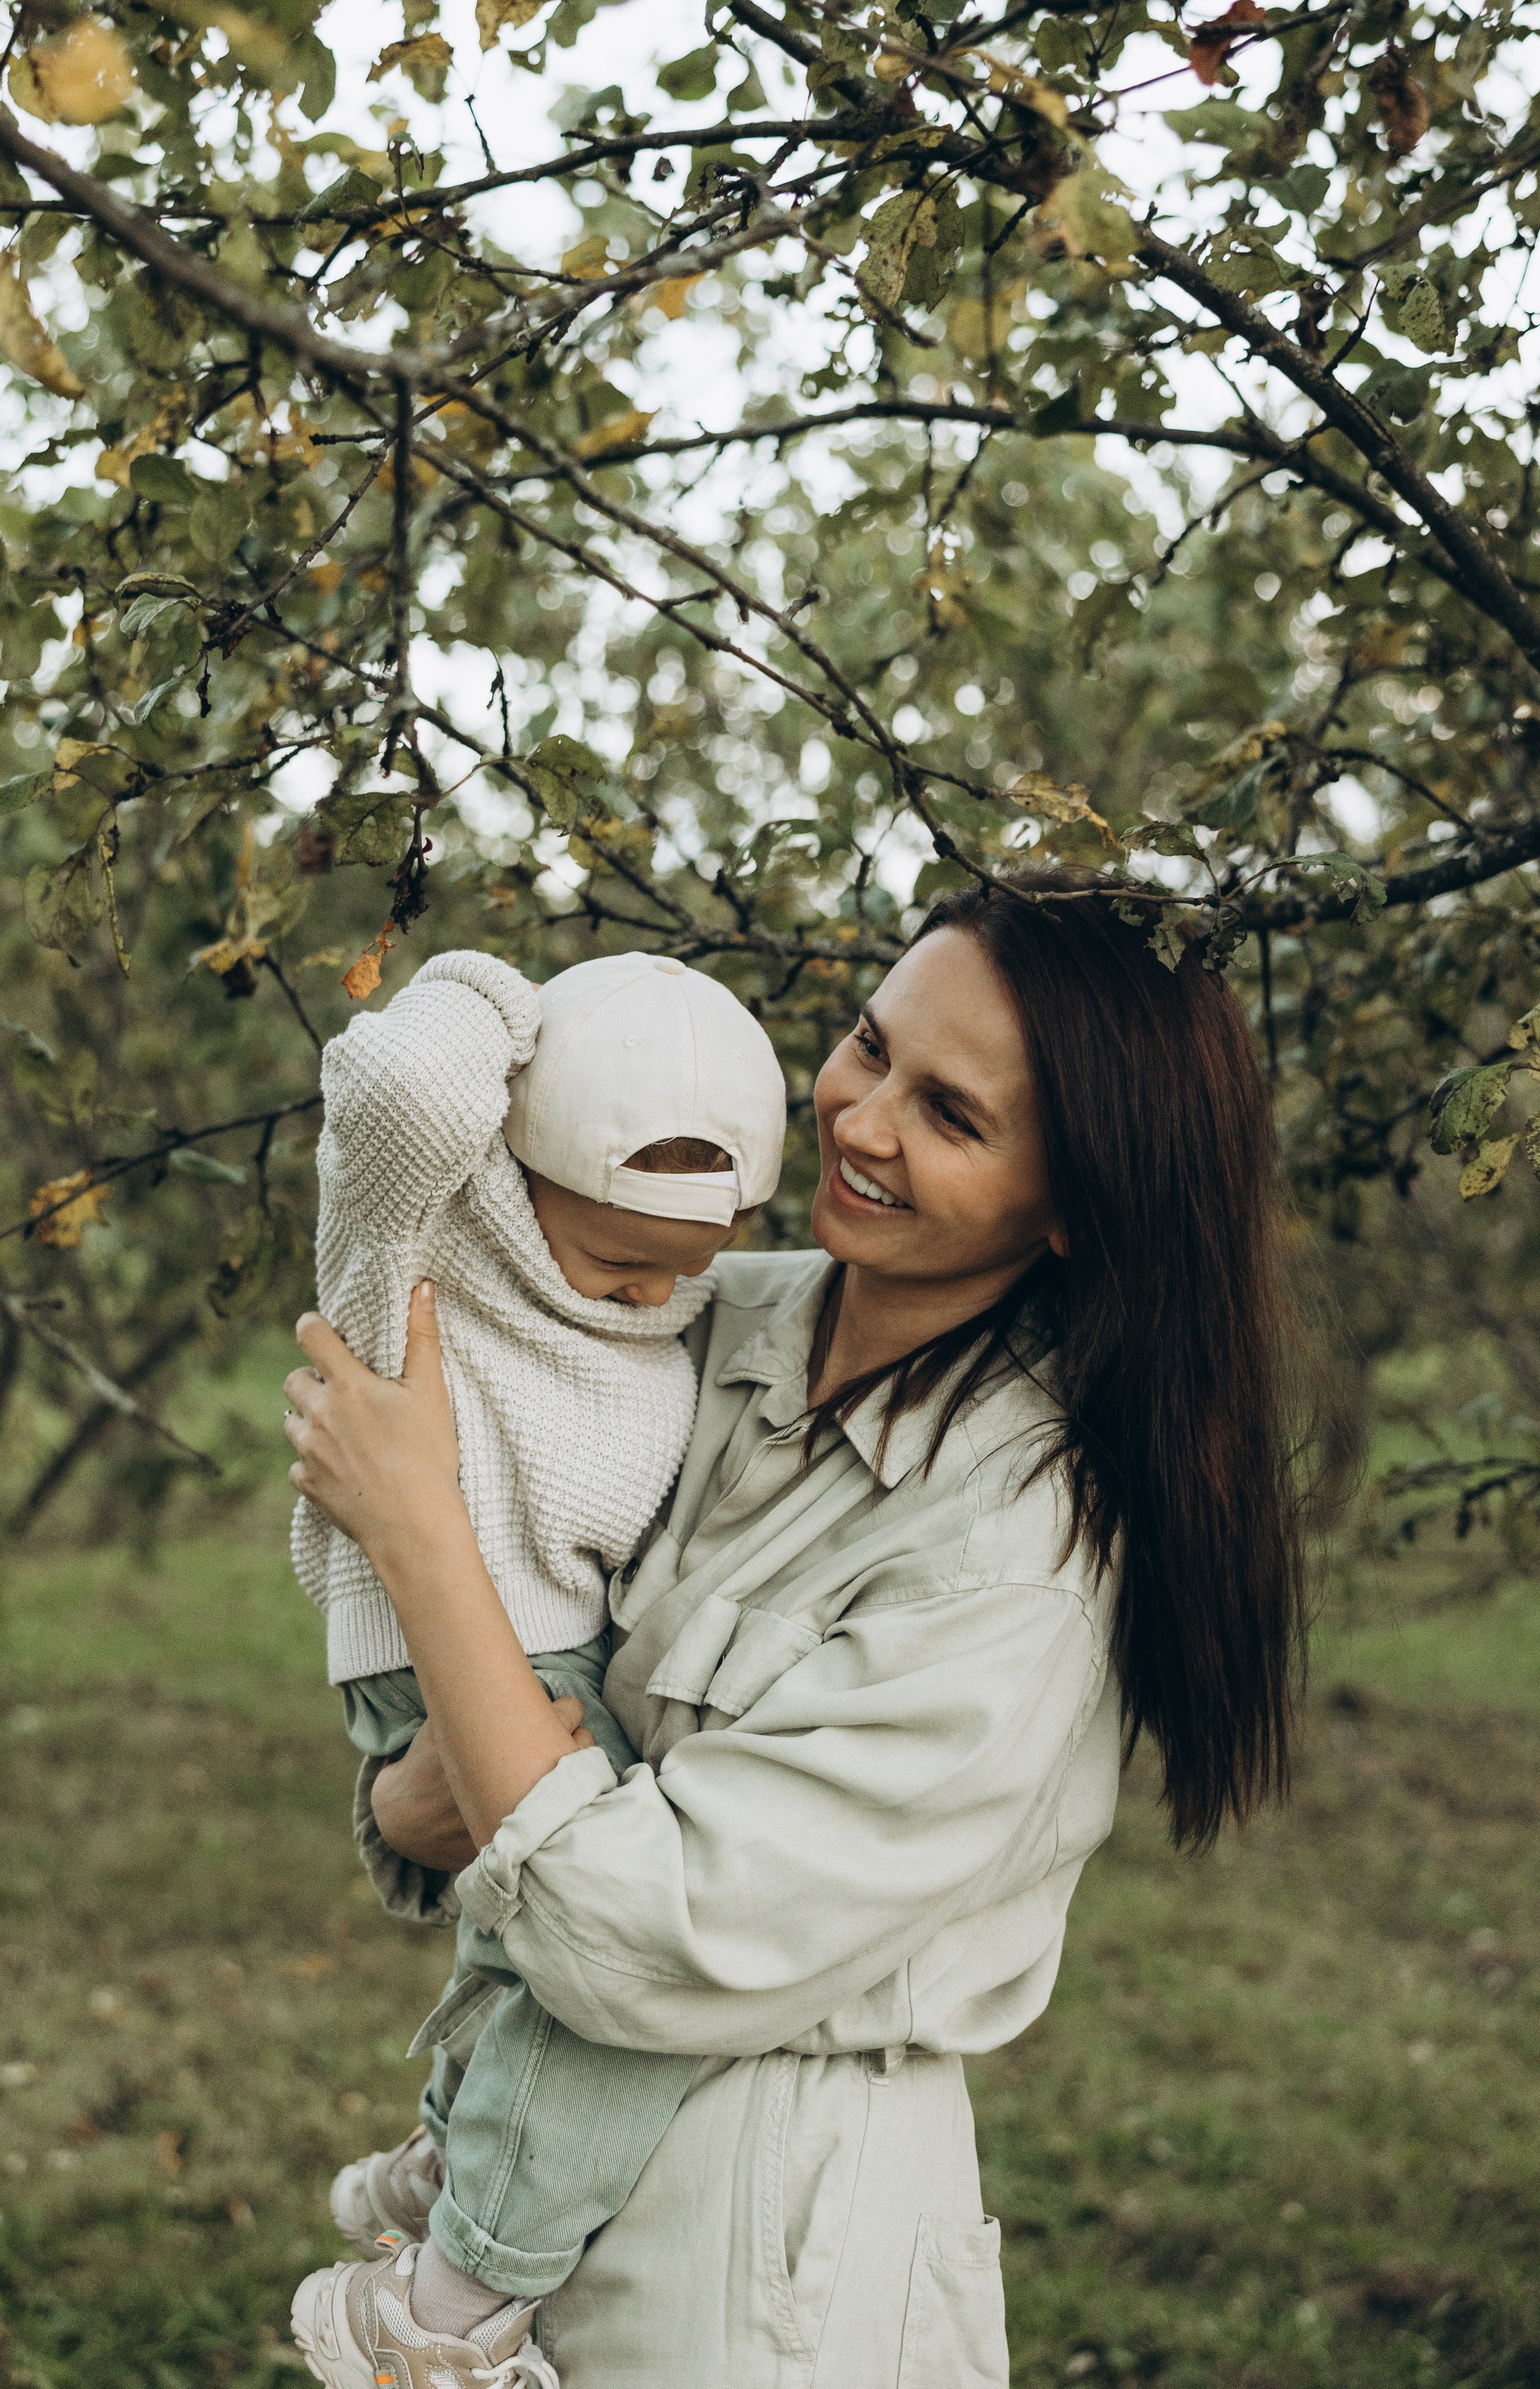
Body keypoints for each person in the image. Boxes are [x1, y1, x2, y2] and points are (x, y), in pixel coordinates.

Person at [285, 875, 1312, 2389]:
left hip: (759, 2275)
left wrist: (415, 1528)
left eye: (949, 1116)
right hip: (515, 2183)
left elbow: (640, 1936)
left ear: (1078, 1204)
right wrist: (407, 1798)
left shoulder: (1010, 1555)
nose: (860, 1118)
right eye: (865, 1043)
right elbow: (485, 1742)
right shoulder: (690, 1316)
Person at [288, 945, 788, 2385]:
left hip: (540, 1648)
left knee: (560, 1950)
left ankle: (454, 2155)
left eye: (679, 1275)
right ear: (512, 1168)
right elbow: (384, 1079)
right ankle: (440, 2306)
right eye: (620, 1265)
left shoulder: (669, 1281)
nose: (648, 1302)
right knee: (639, 1962)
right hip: (467, 1639)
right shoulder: (413, 1244)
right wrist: (508, 1007)